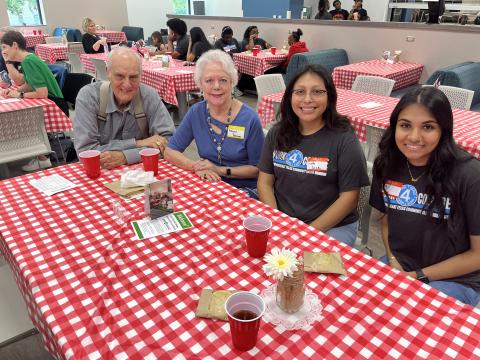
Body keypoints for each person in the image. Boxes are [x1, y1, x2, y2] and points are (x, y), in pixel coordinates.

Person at [369, 86, 480, 306]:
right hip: (401, 266)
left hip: (455, 278)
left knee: (412, 319)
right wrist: (393, 260)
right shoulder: (387, 164)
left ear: (444, 131)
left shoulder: (469, 174)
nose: (414, 137)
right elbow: (386, 222)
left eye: (428, 127)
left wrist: (418, 276)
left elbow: (478, 254)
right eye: (405, 125)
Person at [257, 65, 369, 246]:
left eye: (317, 92)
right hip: (283, 220)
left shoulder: (344, 139)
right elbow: (265, 182)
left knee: (305, 267)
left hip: (332, 226)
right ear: (289, 96)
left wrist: (306, 233)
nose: (307, 99)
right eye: (300, 91)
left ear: (330, 96)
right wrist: (277, 221)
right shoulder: (276, 133)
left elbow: (349, 199)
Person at [164, 49, 265, 198]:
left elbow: (258, 169)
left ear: (232, 82)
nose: (216, 86)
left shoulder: (249, 119)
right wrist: (196, 167)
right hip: (208, 184)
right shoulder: (196, 113)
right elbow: (169, 151)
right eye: (209, 80)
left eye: (223, 80)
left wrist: (219, 170)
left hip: (244, 190)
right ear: (200, 84)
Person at [74, 47, 175, 170]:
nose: (127, 84)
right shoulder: (89, 97)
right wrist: (138, 143)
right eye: (120, 76)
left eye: (133, 77)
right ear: (108, 73)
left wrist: (125, 157)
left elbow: (169, 143)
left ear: (141, 75)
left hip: (142, 175)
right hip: (100, 175)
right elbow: (86, 152)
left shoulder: (149, 96)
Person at [1, 30, 69, 171]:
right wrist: (17, 91)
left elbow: (41, 93)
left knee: (21, 115)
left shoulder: (28, 61)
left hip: (55, 104)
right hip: (53, 100)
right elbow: (28, 84)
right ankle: (39, 154)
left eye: (4, 48)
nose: (3, 51)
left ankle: (42, 157)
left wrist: (19, 96)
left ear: (14, 45)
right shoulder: (29, 58)